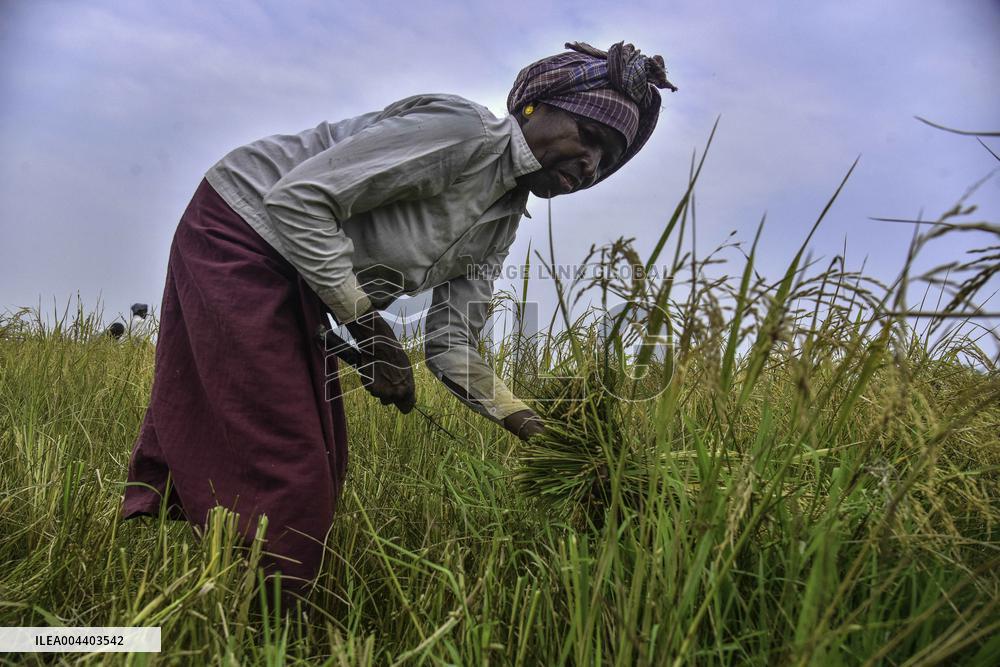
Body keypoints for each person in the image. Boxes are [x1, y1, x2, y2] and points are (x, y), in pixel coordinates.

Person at [121, 41, 676, 607]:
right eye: (588, 137)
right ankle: (269, 627)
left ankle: (224, 584)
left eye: (606, 161)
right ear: (535, 107)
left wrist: (528, 424)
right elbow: (298, 202)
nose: (590, 167)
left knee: (322, 457)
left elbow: (451, 343)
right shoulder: (461, 133)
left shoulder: (498, 226)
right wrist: (370, 331)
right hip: (242, 228)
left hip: (302, 276)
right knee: (290, 463)